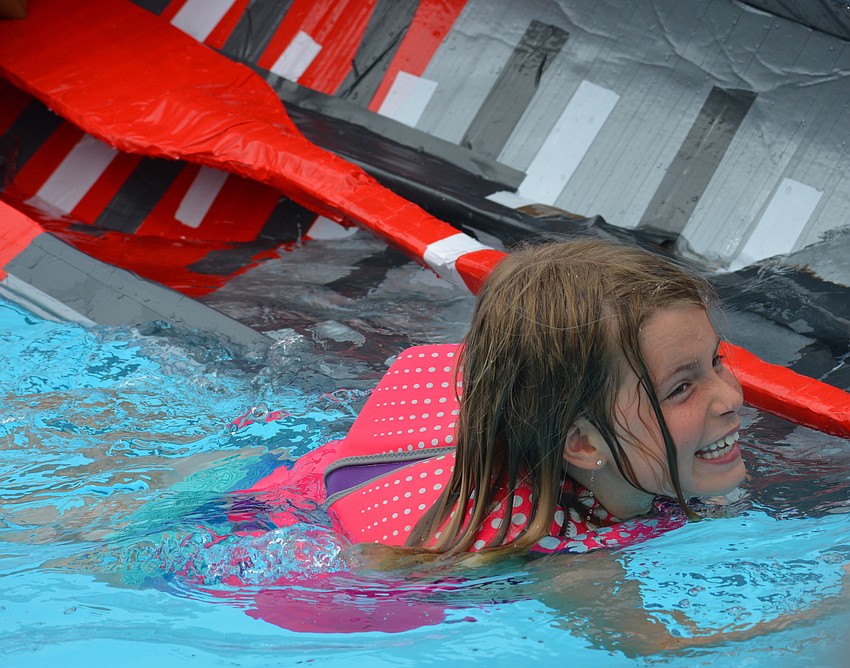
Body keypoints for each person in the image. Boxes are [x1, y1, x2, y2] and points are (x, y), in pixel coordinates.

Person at [241, 236, 746, 558]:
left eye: (717, 360)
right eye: (681, 387)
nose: (729, 397)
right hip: (286, 528)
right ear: (585, 445)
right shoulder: (557, 559)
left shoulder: (566, 419)